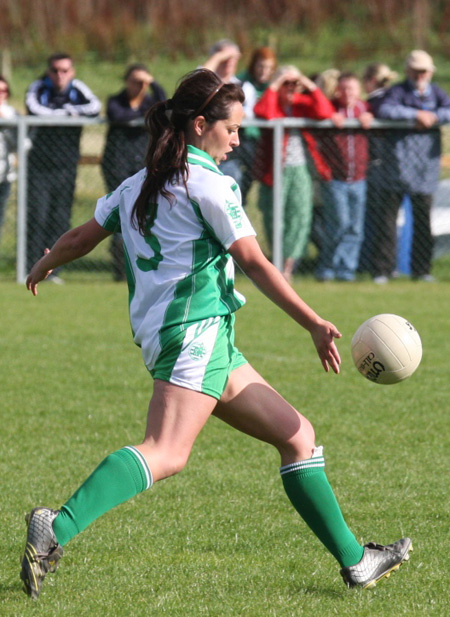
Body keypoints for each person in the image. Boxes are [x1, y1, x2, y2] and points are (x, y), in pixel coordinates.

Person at [21, 69, 411, 600]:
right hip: (194, 336)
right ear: (201, 125)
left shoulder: (138, 183)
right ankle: (56, 528)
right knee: (166, 451)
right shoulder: (208, 184)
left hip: (196, 338)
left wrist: (45, 263)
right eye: (232, 129)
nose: (237, 140)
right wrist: (313, 323)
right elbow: (253, 260)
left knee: (297, 435)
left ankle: (356, 561)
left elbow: (79, 236)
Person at [372, 50, 450, 282]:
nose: (419, 75)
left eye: (423, 71)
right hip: (396, 168)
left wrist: (433, 117)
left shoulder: (436, 93)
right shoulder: (397, 91)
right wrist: (416, 115)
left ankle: (422, 270)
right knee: (387, 222)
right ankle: (383, 270)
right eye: (415, 71)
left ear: (430, 72)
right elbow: (385, 109)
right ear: (408, 71)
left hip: (425, 171)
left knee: (423, 223)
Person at [254, 65, 335, 281]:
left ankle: (288, 268)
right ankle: (276, 265)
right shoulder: (272, 101)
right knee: (274, 217)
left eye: (294, 84)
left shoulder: (301, 104)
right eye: (285, 83)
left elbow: (325, 112)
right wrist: (275, 84)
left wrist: (307, 83)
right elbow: (264, 113)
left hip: (300, 169)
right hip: (274, 170)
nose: (290, 88)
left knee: (299, 217)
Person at [25, 53, 101, 277]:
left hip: (67, 165)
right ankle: (30, 266)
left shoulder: (78, 88)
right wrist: (65, 113)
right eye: (56, 70)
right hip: (39, 166)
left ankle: (54, 270)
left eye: (65, 70)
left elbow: (95, 106)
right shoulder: (38, 88)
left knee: (60, 217)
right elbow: (34, 109)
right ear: (49, 71)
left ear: (72, 71)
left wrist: (70, 112)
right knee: (38, 216)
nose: (60, 75)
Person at [102, 63, 166, 281]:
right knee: (121, 212)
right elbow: (118, 116)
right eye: (135, 81)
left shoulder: (151, 102)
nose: (139, 86)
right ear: (126, 81)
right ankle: (120, 268)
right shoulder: (115, 101)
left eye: (143, 82)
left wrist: (153, 83)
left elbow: (164, 106)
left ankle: (143, 265)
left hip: (144, 165)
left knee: (145, 214)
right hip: (117, 164)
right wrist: (141, 114)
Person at [315, 72, 373, 282]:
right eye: (344, 88)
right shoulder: (330, 107)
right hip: (335, 179)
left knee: (355, 228)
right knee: (338, 224)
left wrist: (369, 119)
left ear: (359, 91)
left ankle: (346, 269)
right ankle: (327, 266)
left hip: (358, 179)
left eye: (352, 88)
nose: (348, 93)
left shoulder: (364, 109)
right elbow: (316, 117)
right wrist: (329, 117)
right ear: (339, 90)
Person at [222, 46, 277, 206]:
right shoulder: (241, 82)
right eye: (260, 66)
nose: (263, 71)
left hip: (264, 140)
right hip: (245, 139)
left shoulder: (272, 86)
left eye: (268, 67)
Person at [358, 64, 398, 277]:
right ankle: (382, 265)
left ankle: (377, 266)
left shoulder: (377, 102)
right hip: (385, 168)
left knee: (379, 219)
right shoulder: (386, 99)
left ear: (370, 79)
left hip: (377, 167)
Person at [0, 75, 18, 241]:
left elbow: (19, 144)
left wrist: (5, 124)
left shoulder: (12, 114)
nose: (1, 94)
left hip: (3, 177)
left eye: (4, 91)